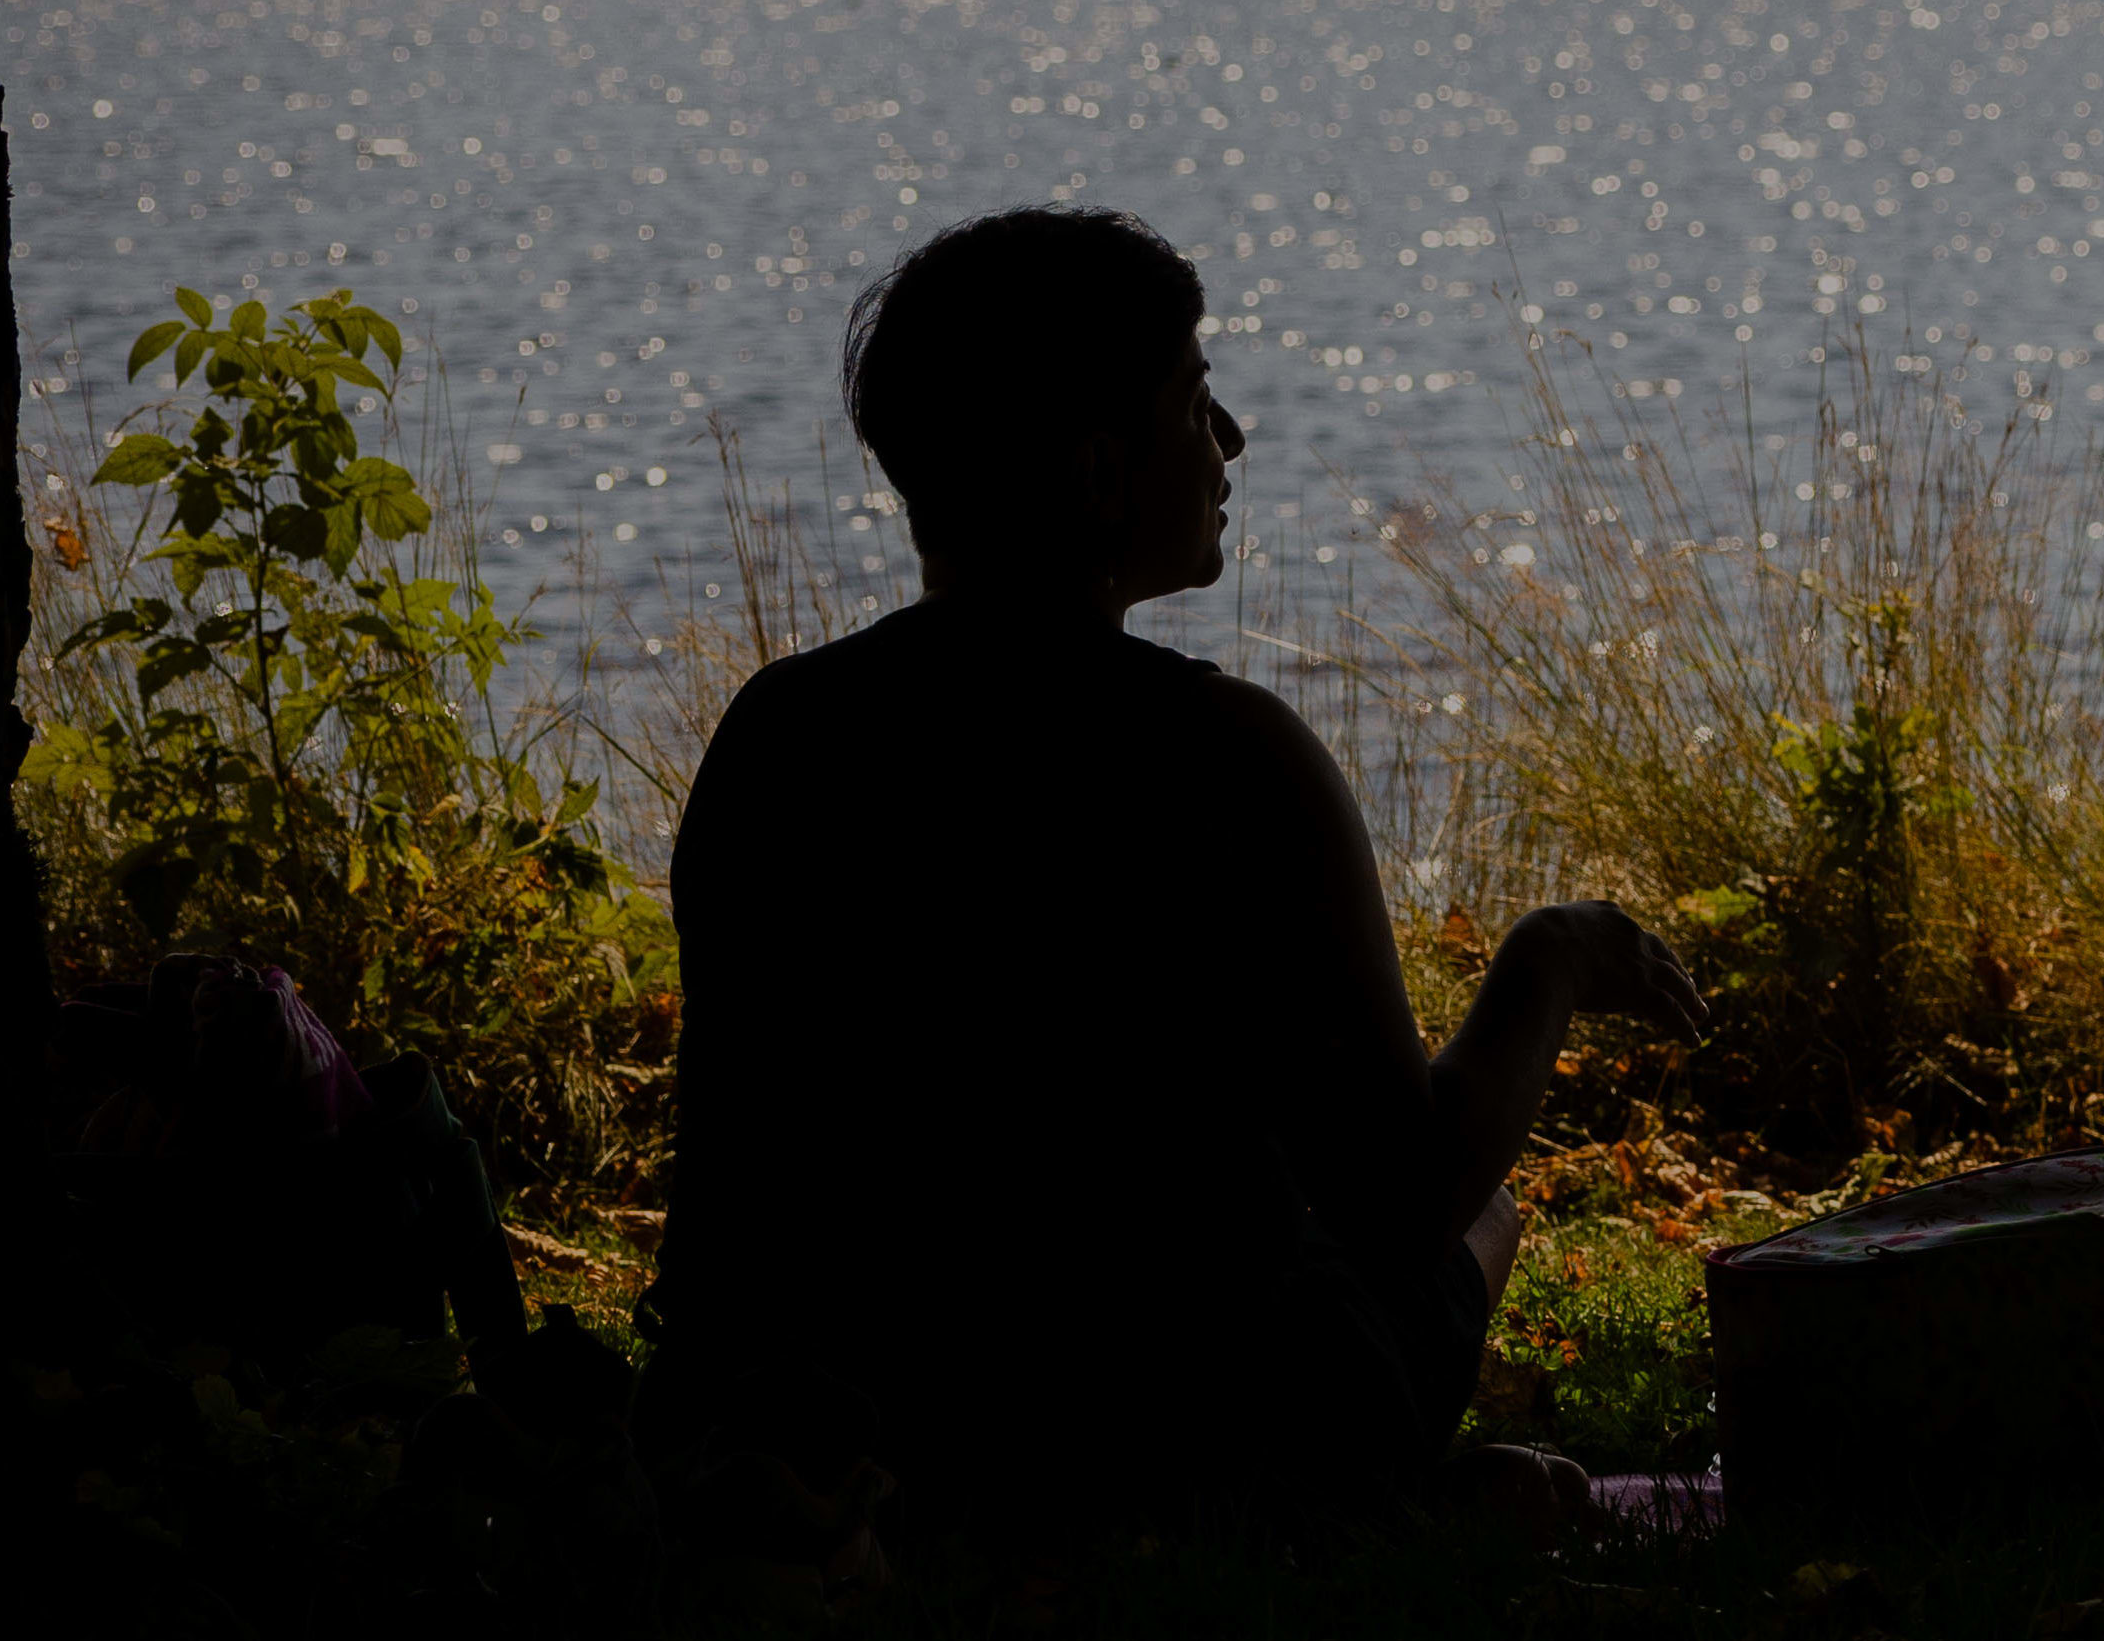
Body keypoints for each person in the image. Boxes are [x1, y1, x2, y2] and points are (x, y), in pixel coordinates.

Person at [645, 207, 1701, 1526]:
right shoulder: (1230, 755)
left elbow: (729, 1201)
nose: (1232, 440)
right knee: (1478, 1228)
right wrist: (1552, 959)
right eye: (1198, 405)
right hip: (1170, 1438)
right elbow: (1403, 1198)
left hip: (841, 1413)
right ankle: (1422, 1507)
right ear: (1100, 472)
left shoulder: (776, 734)